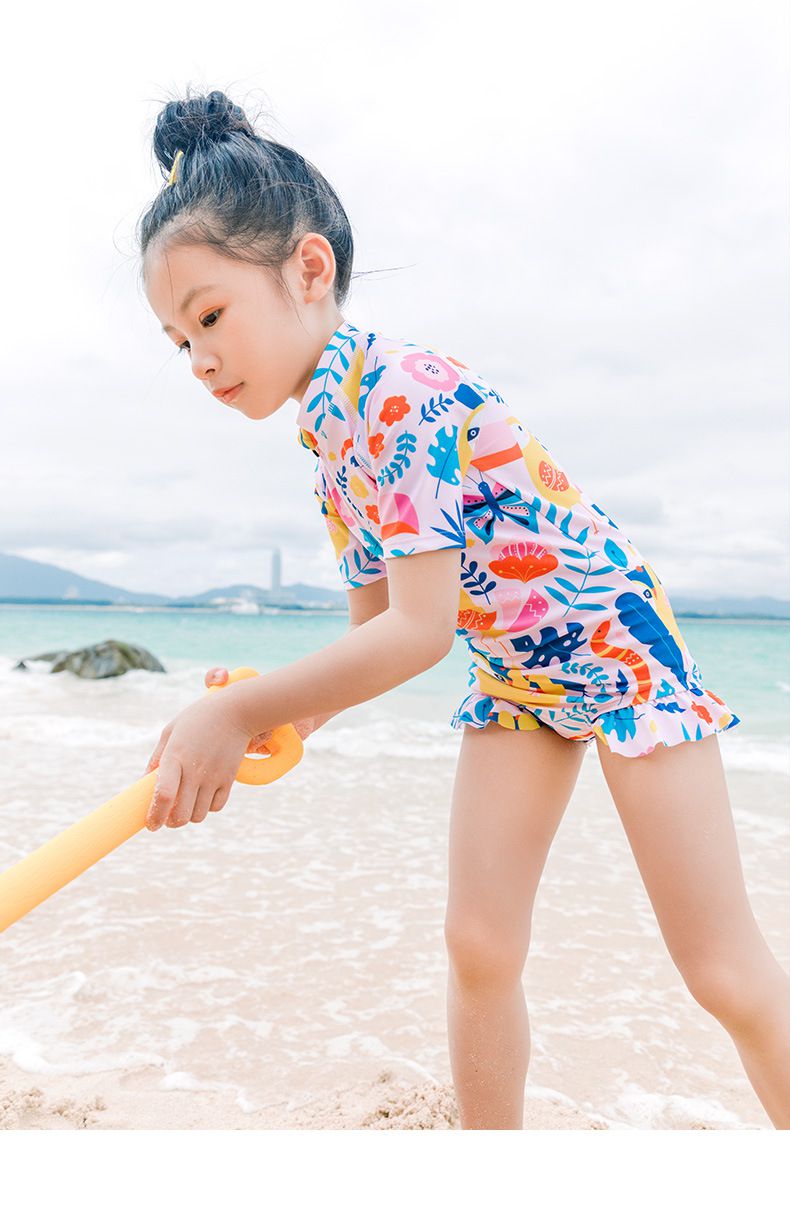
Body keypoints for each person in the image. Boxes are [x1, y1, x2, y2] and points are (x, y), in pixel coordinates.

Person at [138, 88, 790, 1129]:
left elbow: (419, 628)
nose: (200, 358)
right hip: (520, 678)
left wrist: (232, 714)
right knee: (479, 943)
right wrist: (278, 709)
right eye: (177, 340)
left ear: (308, 271)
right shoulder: (330, 437)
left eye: (210, 316)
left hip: (621, 654)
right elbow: (373, 636)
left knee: (721, 968)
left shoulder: (399, 388)